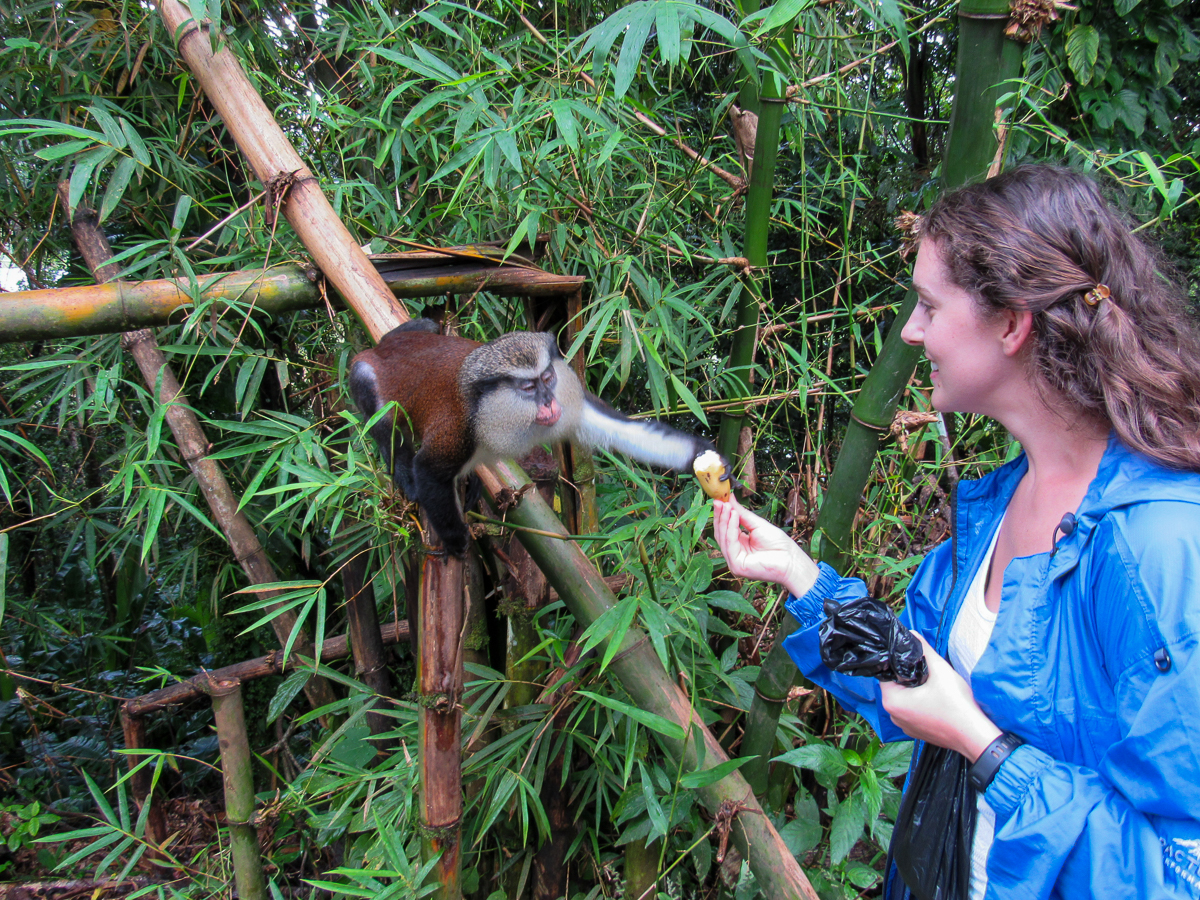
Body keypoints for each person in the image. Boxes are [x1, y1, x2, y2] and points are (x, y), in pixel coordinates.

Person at [711, 165, 1200, 899]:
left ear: (1010, 323)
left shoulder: (1157, 546)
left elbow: (1176, 873)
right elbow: (921, 677)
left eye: (929, 307)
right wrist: (801, 579)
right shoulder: (1004, 499)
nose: (911, 330)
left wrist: (984, 746)